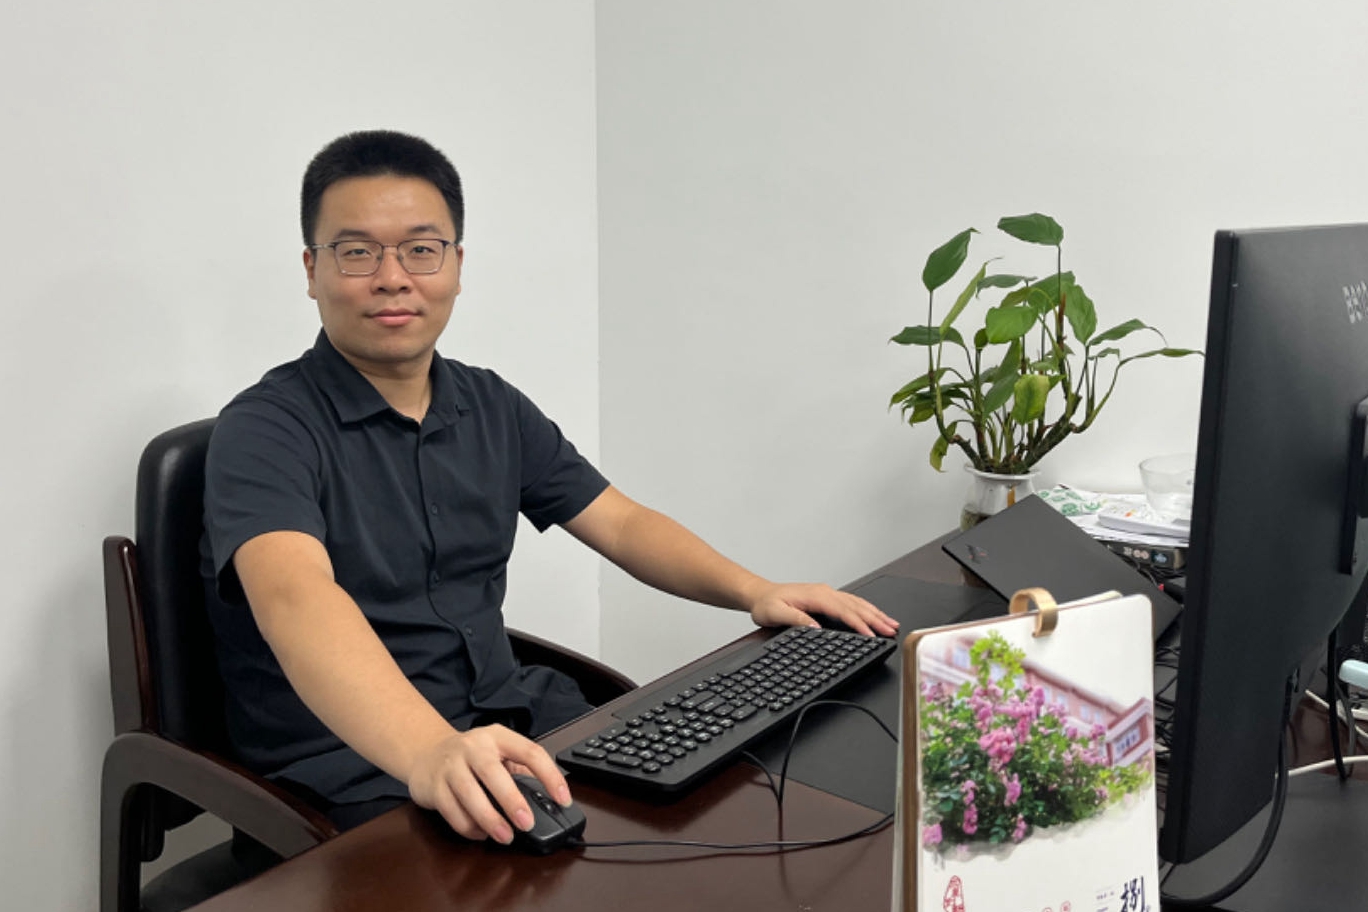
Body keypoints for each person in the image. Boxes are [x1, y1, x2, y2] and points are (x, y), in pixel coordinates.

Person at [201, 129, 898, 846]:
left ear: (457, 265)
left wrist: (755, 591)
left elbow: (620, 523)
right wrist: (429, 750)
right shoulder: (264, 429)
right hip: (354, 768)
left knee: (722, 810)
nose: (392, 277)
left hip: (508, 724)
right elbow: (296, 598)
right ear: (312, 269)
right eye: (357, 252)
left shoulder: (491, 405)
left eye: (421, 249)